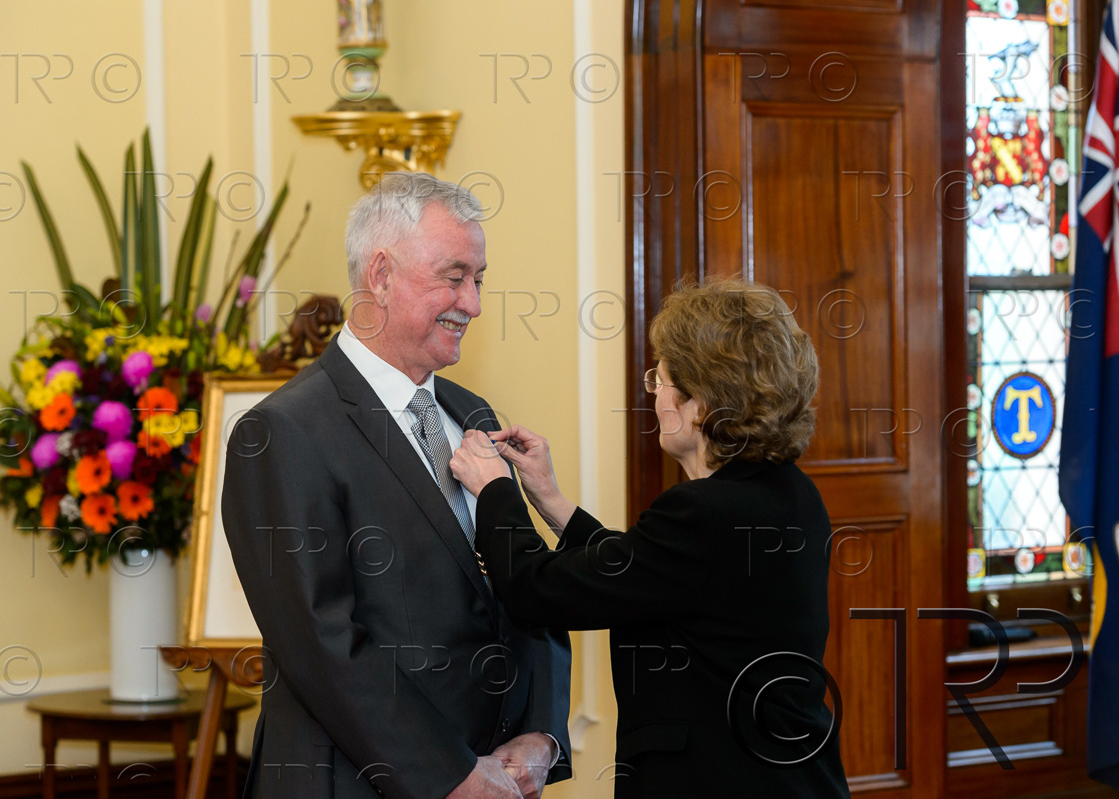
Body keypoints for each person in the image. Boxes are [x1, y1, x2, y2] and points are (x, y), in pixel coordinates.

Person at [222, 172, 571, 799]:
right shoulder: (281, 431)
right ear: (380, 274)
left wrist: (541, 736)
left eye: (479, 279)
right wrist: (453, 775)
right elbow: (321, 643)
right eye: (454, 277)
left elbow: (525, 584)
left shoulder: (472, 412)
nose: (473, 304)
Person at [451, 278, 850, 798]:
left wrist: (495, 490)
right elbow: (645, 573)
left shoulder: (704, 512)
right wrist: (550, 499)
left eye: (659, 380)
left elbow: (537, 590)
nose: (654, 395)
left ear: (702, 399)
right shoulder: (788, 492)